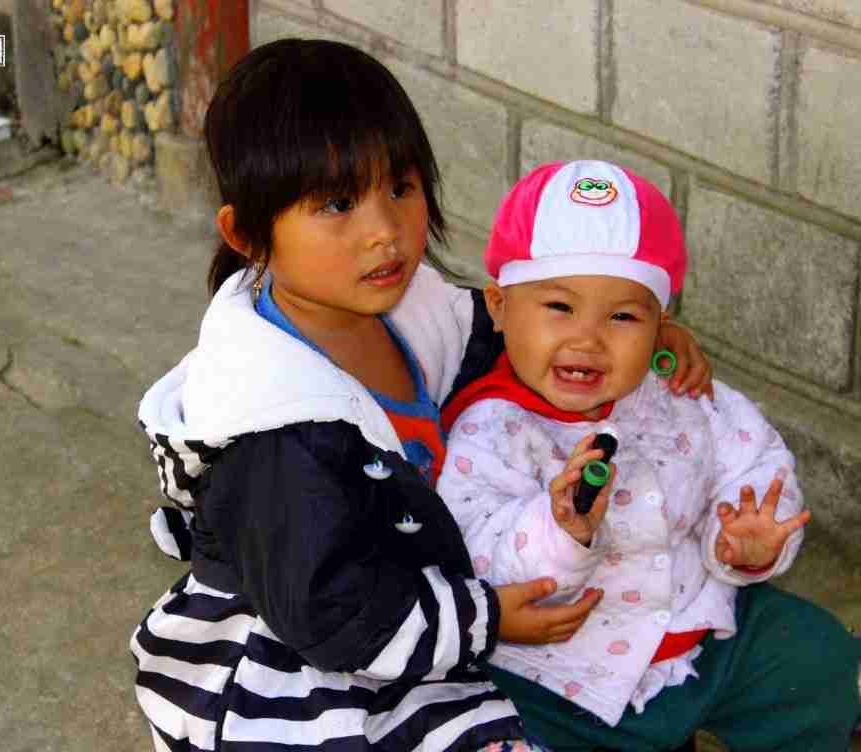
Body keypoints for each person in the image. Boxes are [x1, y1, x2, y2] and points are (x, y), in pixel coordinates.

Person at [130, 42, 713, 752]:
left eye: (401, 186)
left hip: (415, 599)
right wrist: (488, 620)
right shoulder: (273, 436)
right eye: (339, 203)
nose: (386, 230)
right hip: (308, 660)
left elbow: (519, 334)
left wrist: (645, 333)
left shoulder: (412, 308)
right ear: (249, 234)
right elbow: (336, 618)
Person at [437, 159, 861, 751]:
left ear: (661, 324)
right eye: (559, 307)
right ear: (501, 307)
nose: (587, 337)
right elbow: (474, 553)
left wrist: (744, 540)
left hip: (698, 627)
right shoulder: (491, 429)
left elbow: (753, 464)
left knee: (817, 654)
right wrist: (560, 531)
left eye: (622, 316)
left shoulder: (679, 394)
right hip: (559, 674)